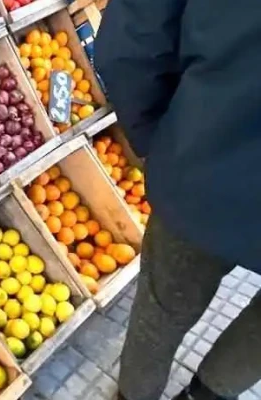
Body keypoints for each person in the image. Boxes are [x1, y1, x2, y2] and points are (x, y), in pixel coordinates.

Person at [94, 0, 261, 399]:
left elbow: (129, 46)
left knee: (162, 307)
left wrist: (160, 139)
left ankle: (135, 395)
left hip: (202, 165)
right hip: (200, 163)